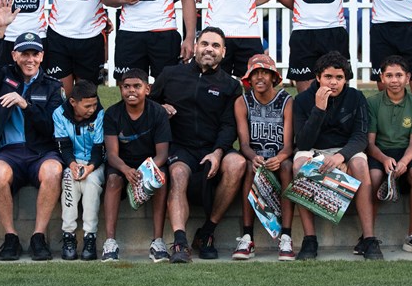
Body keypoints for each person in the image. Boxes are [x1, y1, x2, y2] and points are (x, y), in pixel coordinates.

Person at [0, 0, 65, 261]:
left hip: (41, 151)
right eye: (24, 53)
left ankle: (39, 237)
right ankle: (11, 237)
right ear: (14, 55)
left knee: (53, 170)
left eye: (35, 53)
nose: (30, 59)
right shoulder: (4, 77)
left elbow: (51, 127)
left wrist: (25, 104)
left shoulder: (52, 86)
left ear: (42, 56)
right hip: (10, 151)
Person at [149, 27, 246, 263]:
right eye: (204, 44)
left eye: (215, 46)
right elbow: (147, 104)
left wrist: (218, 152)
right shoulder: (171, 74)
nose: (209, 50)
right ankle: (180, 243)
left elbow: (228, 125)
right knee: (178, 172)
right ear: (195, 47)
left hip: (213, 146)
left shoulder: (231, 85)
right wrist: (159, 109)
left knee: (238, 163)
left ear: (223, 52)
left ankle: (207, 233)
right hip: (180, 147)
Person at [293, 52, 382, 259]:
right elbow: (303, 142)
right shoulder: (303, 100)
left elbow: (361, 137)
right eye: (328, 77)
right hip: (315, 150)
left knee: (360, 165)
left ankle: (369, 239)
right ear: (318, 77)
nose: (333, 82)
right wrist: (319, 109)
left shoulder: (356, 97)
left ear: (346, 79)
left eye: (339, 78)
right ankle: (309, 240)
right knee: (298, 164)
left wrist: (341, 157)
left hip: (345, 150)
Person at [102, 68, 172, 262]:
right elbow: (112, 154)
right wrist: (125, 170)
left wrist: (144, 172)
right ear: (120, 89)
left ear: (147, 89)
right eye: (126, 87)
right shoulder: (112, 113)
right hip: (122, 164)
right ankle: (110, 242)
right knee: (113, 179)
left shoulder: (157, 112)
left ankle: (157, 242)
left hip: (150, 163)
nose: (131, 91)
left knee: (161, 180)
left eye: (137, 86)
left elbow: (163, 154)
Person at [367, 55, 412, 255]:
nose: (394, 80)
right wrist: (384, 159)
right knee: (374, 177)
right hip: (380, 152)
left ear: (407, 77)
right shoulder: (372, 102)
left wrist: (404, 161)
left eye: (399, 75)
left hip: (408, 153)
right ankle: (367, 236)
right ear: (382, 78)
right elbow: (369, 143)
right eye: (389, 75)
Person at [233, 54, 295, 260]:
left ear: (273, 77)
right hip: (256, 158)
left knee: (286, 167)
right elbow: (243, 144)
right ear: (248, 78)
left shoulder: (286, 100)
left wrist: (280, 157)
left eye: (265, 73)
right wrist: (253, 156)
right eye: (255, 74)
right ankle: (247, 236)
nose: (260, 78)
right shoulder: (242, 102)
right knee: (251, 167)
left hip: (279, 158)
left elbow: (288, 145)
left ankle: (286, 236)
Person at [54, 80, 105, 261]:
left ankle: (89, 236)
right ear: (73, 102)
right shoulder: (59, 114)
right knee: (69, 180)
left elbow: (100, 150)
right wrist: (73, 165)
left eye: (94, 104)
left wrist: (89, 167)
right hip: (72, 162)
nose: (92, 109)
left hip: (95, 163)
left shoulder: (100, 114)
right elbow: (64, 146)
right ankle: (68, 236)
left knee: (90, 183)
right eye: (87, 106)